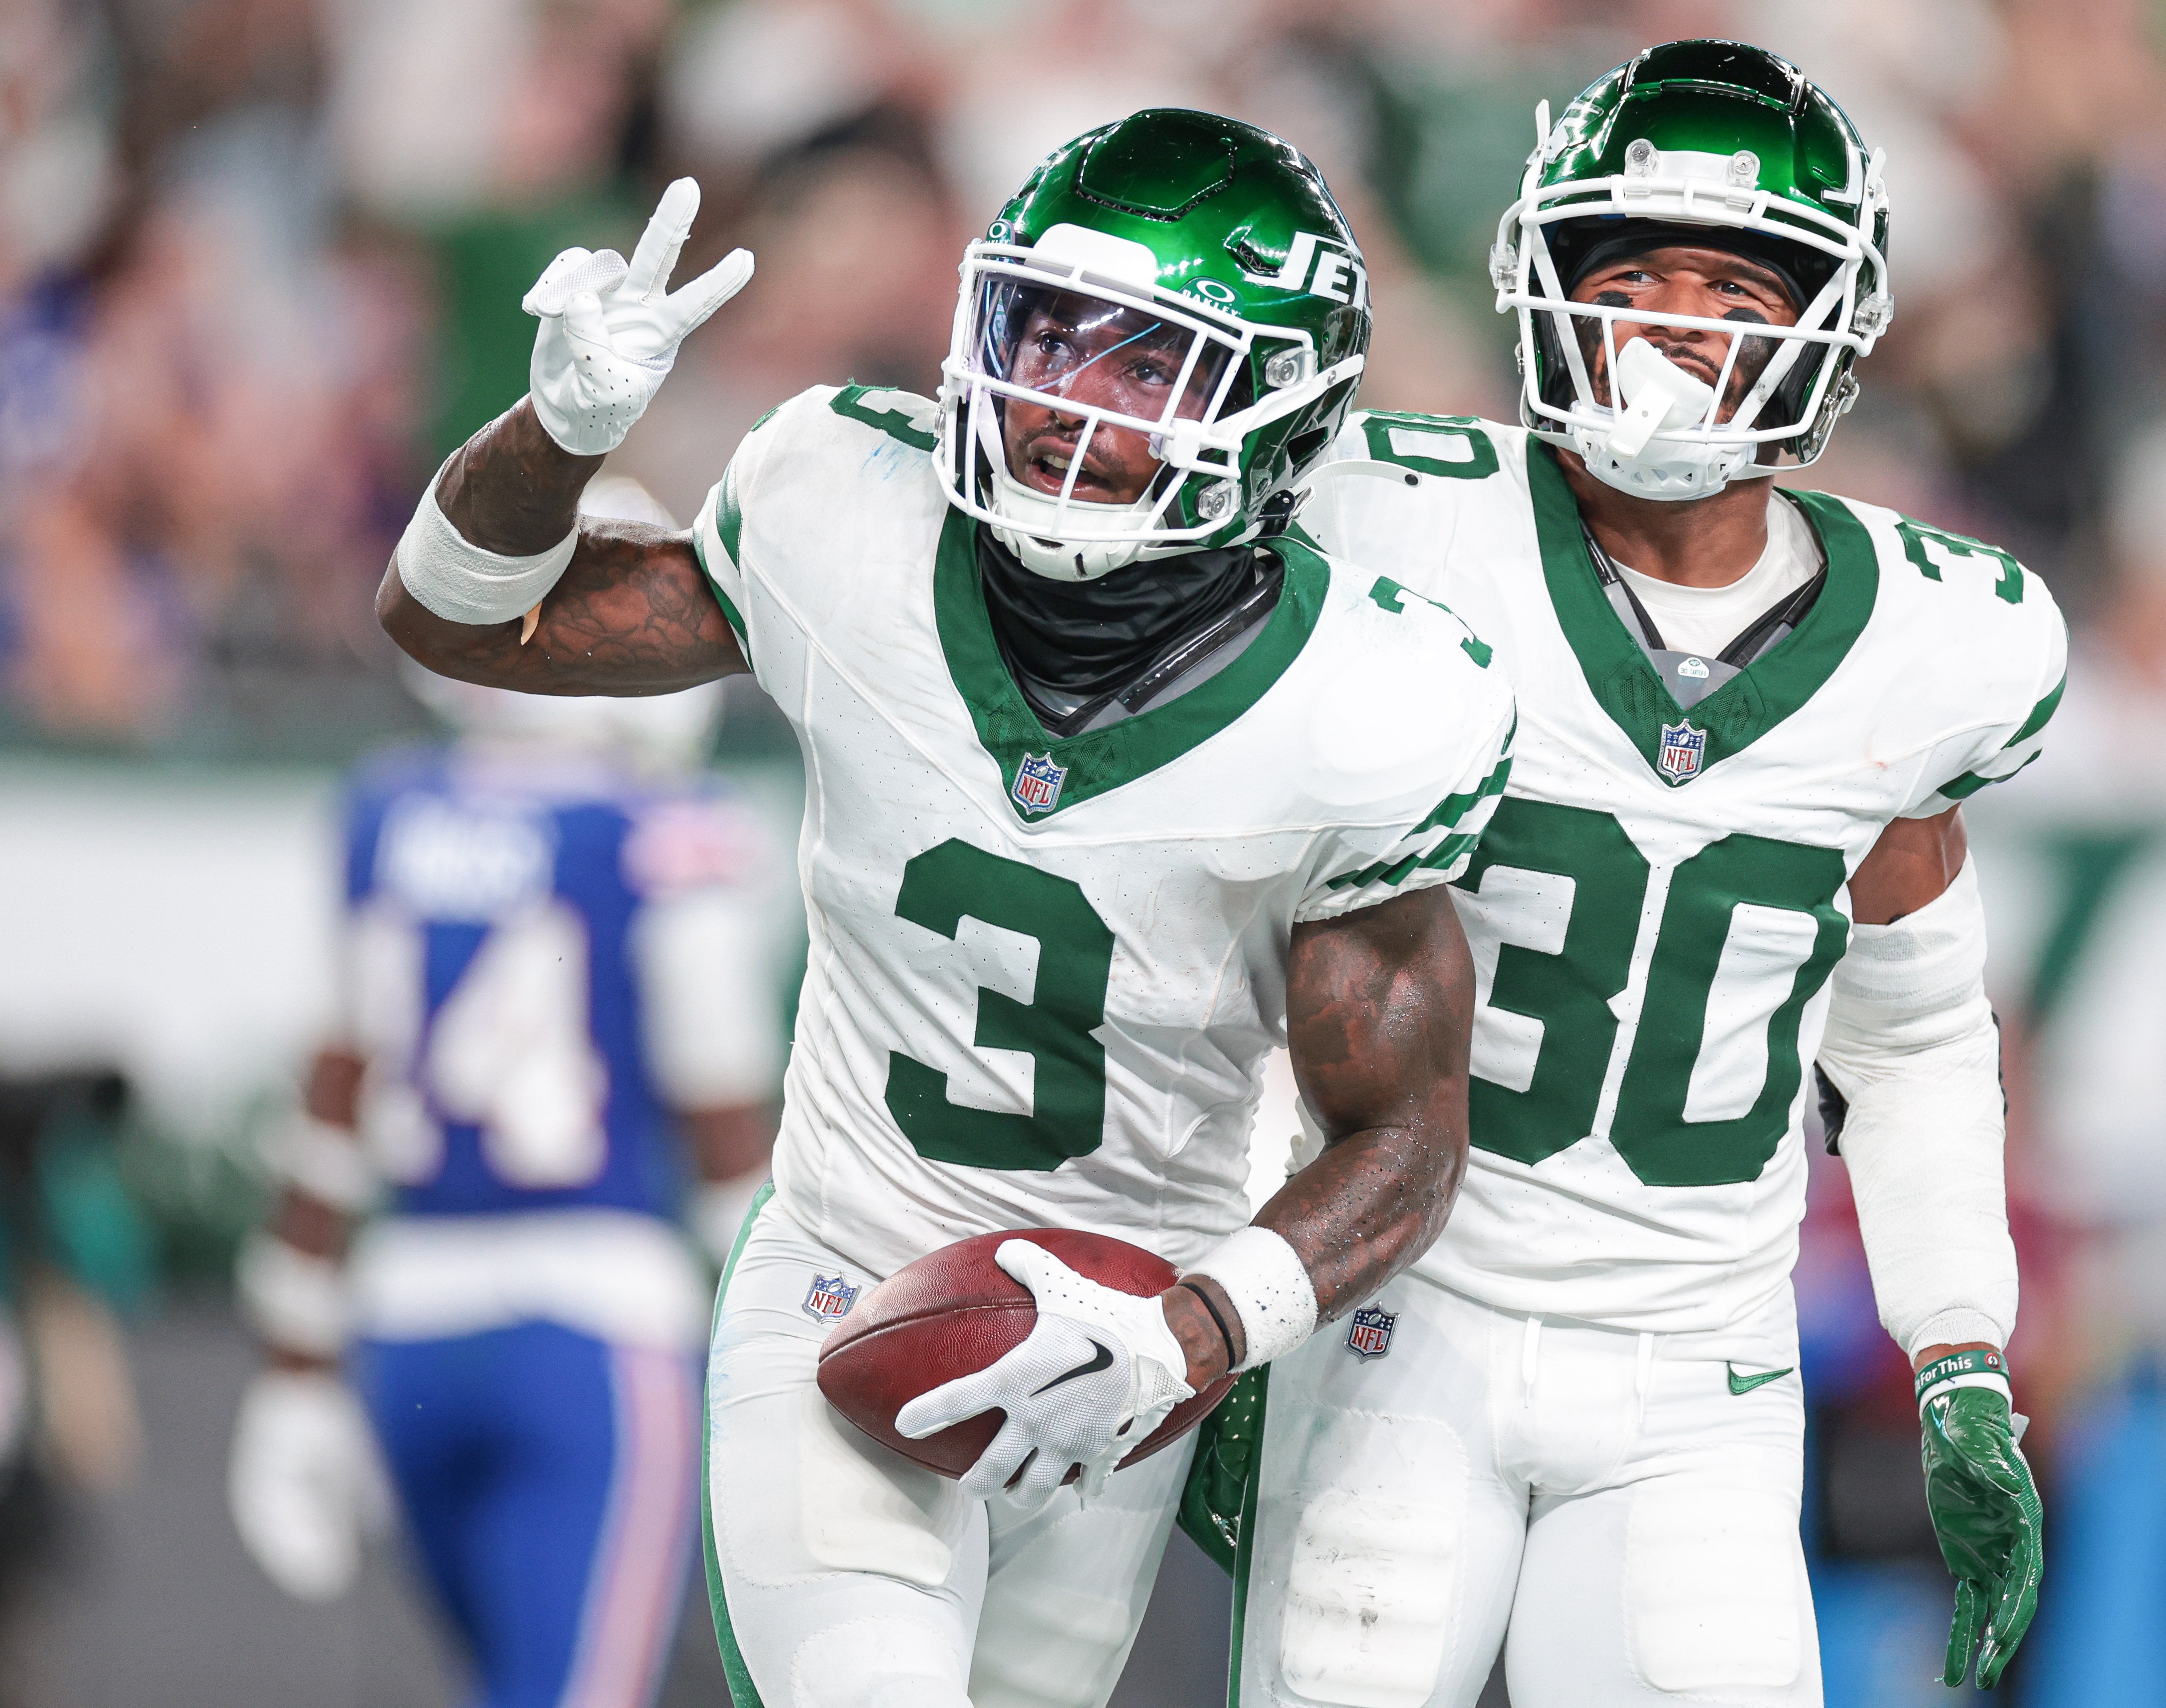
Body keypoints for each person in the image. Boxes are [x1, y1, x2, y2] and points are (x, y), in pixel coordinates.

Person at [374, 109, 1515, 1708]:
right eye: (1045, 335)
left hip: (1121, 1341)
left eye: (1143, 364)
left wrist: (1194, 1332)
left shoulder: (1363, 707)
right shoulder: (844, 510)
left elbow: (1403, 1136)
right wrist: (557, 429)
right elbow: (456, 622)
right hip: (849, 1279)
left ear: (1278, 415)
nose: (1062, 401)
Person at [1216, 41, 2060, 1705]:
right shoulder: (1389, 520)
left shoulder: (1932, 644)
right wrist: (1233, 1281)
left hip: (1697, 1372)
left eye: (1732, 284)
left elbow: (1905, 1039)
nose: (1675, 322)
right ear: (1545, 289)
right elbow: (1231, 923)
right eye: (1633, 273)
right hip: (1403, 1325)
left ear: (1821, 326)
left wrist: (1957, 1348)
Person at [227, 612, 781, 1708]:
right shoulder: (664, 831)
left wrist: (295, 1370)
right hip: (594, 1339)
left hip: (407, 1336)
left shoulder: (391, 811)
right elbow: (723, 1131)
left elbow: (331, 1111)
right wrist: (781, 1355)